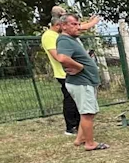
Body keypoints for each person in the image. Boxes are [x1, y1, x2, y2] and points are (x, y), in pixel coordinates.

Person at [55, 14, 109, 151]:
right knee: (88, 113)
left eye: (78, 24)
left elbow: (81, 28)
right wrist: (79, 67)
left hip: (85, 82)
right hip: (81, 82)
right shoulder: (64, 40)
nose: (78, 27)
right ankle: (90, 144)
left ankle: (80, 139)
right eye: (74, 24)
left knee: (86, 112)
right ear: (63, 26)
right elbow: (61, 58)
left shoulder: (72, 38)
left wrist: (92, 23)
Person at [41, 13, 79, 136]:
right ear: (58, 25)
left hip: (69, 71)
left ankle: (78, 125)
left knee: (76, 99)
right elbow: (58, 56)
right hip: (64, 73)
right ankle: (70, 127)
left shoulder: (56, 35)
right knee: (70, 100)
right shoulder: (49, 36)